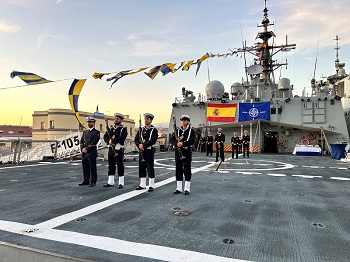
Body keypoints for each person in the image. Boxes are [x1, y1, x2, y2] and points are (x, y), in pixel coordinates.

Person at [170, 115, 195, 195]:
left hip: (187, 152)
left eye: (185, 120)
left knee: (187, 169)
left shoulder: (192, 131)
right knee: (178, 169)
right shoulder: (177, 131)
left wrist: (183, 144)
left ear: (188, 121)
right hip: (178, 152)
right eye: (182, 120)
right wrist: (177, 144)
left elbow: (192, 141)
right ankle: (179, 188)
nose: (183, 121)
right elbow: (172, 139)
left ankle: (187, 188)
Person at [134, 113, 158, 192]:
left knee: (150, 167)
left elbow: (153, 140)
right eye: (145, 119)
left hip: (149, 150)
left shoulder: (154, 130)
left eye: (147, 119)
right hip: (142, 151)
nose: (146, 120)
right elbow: (136, 139)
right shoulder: (141, 129)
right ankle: (142, 184)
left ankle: (151, 185)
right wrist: (139, 146)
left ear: (151, 120)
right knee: (142, 167)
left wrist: (144, 145)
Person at [103, 113, 128, 189]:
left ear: (121, 120)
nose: (116, 120)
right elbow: (105, 136)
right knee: (111, 165)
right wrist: (108, 142)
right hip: (111, 149)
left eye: (118, 118)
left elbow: (122, 137)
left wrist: (113, 141)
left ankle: (121, 183)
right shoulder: (111, 129)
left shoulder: (123, 129)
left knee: (120, 165)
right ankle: (110, 182)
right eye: (115, 118)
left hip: (119, 149)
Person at [79, 116, 100, 187]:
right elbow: (81, 141)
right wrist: (82, 148)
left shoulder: (96, 132)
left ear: (94, 123)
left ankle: (93, 181)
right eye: (88, 122)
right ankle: (86, 180)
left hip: (91, 152)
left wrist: (87, 149)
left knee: (92, 168)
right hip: (84, 153)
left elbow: (94, 142)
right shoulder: (85, 132)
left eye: (90, 122)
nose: (89, 123)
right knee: (85, 167)